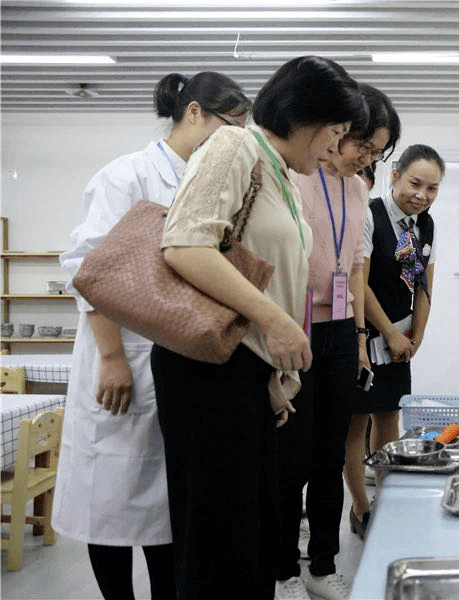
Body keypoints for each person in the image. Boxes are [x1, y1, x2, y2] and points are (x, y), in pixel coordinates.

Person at [149, 56, 366, 600]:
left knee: (251, 537)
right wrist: (276, 324)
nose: (336, 151)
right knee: (218, 544)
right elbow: (184, 246)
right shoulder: (236, 146)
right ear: (305, 115)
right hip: (205, 373)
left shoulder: (282, 177)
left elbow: (263, 276)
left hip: (245, 374)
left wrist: (271, 378)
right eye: (335, 134)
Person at [53, 72, 250, 600]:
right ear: (192, 113)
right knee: (110, 500)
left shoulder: (211, 180)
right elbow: (87, 269)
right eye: (228, 126)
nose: (232, 141)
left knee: (168, 502)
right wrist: (113, 357)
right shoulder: (127, 176)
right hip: (122, 356)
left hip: (180, 358)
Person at [274, 83, 399, 600]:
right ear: (338, 132)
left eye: (376, 154)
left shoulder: (358, 191)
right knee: (290, 456)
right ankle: (282, 567)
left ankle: (322, 564)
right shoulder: (295, 176)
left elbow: (354, 264)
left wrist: (359, 332)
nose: (366, 159)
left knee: (329, 453)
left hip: (340, 334)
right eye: (362, 147)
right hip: (293, 325)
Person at [348, 144, 444, 527]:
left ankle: (387, 500)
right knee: (356, 423)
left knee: (389, 415)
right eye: (415, 184)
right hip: (363, 332)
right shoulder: (369, 215)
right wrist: (388, 332)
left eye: (432, 188)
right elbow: (360, 282)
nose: (421, 195)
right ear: (395, 177)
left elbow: (423, 284)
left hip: (399, 339)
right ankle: (360, 507)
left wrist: (415, 336)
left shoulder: (426, 224)